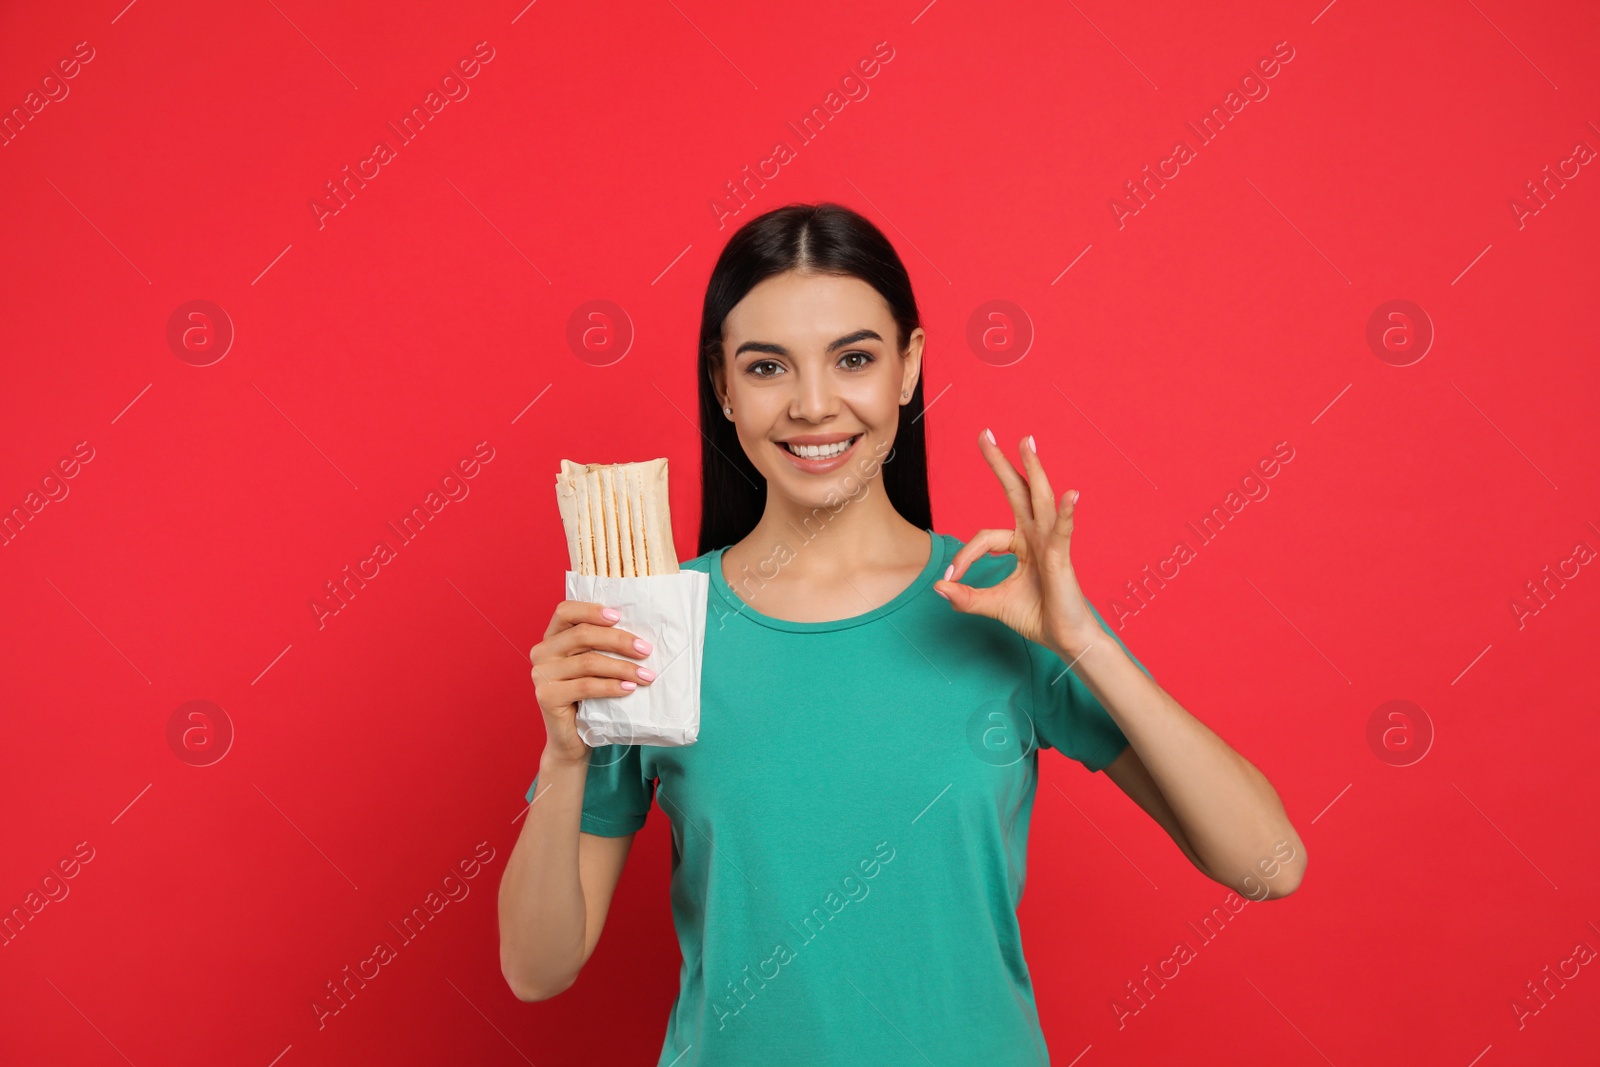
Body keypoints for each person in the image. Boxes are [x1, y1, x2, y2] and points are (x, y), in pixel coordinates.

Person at [498, 202, 1306, 1065]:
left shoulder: (999, 600)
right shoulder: (652, 624)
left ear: (909, 367)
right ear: (723, 387)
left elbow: (1269, 865)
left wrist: (1082, 639)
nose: (814, 405)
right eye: (768, 366)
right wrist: (564, 757)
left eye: (854, 358)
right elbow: (537, 969)